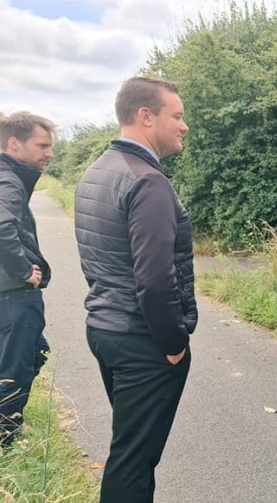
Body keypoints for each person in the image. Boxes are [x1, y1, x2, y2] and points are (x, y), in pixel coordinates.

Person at [74, 76, 196, 502]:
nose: (184, 126)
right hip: (143, 341)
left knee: (131, 450)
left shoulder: (98, 171)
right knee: (133, 459)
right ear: (146, 117)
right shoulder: (148, 181)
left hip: (106, 329)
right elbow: (155, 278)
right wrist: (175, 343)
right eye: (177, 116)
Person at [0, 111, 54, 448]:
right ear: (14, 144)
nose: (49, 153)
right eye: (42, 145)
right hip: (14, 292)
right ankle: (6, 437)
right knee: (19, 362)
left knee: (27, 355)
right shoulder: (8, 180)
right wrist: (23, 271)